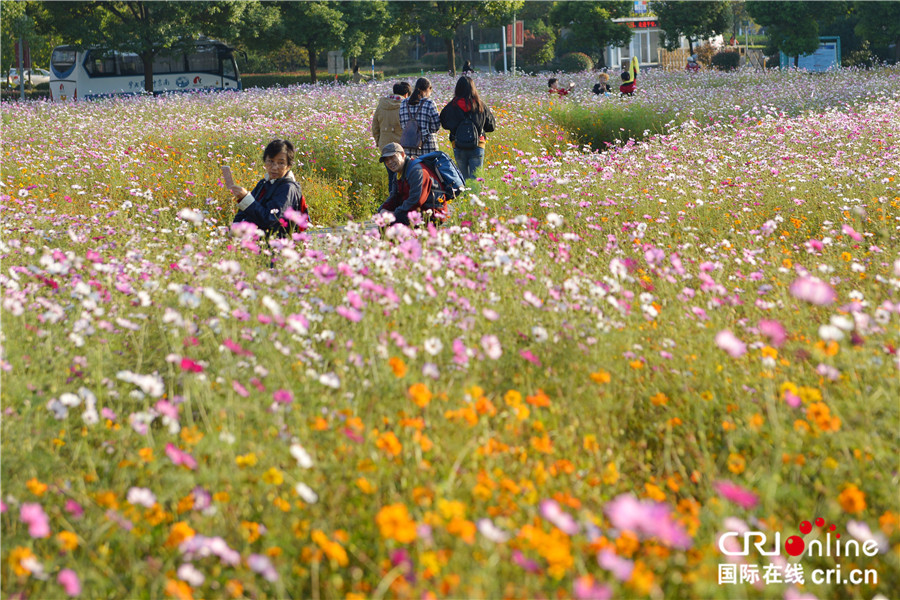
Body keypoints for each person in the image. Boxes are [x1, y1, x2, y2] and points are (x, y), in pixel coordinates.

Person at [231, 139, 308, 237]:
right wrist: (235, 228)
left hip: (274, 244)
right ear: (265, 161)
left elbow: (271, 220)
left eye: (281, 163)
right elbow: (244, 211)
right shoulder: (263, 183)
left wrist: (246, 198)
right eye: (271, 161)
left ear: (288, 166)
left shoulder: (287, 188)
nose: (274, 167)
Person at [376, 142, 447, 227]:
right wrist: (383, 209)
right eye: (386, 160)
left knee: (392, 222)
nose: (390, 162)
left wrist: (395, 214)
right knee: (385, 220)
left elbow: (416, 200)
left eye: (392, 157)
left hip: (431, 214)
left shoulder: (417, 171)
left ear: (402, 155)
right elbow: (394, 196)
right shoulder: (397, 174)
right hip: (415, 211)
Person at [439, 76, 495, 181]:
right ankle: (475, 197)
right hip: (478, 145)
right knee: (476, 181)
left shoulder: (452, 106)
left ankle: (465, 197)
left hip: (458, 145)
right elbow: (491, 126)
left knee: (463, 179)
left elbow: (444, 123)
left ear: (458, 89)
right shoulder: (479, 105)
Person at [372, 81, 411, 195]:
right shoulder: (405, 105)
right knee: (404, 176)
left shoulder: (382, 104)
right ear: (406, 94)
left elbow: (375, 126)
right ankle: (403, 201)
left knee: (391, 177)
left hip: (385, 147)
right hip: (401, 148)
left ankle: (392, 201)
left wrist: (379, 142)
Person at [398, 77, 441, 159]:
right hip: (428, 148)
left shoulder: (403, 103)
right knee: (429, 171)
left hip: (408, 147)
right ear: (428, 88)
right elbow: (436, 126)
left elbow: (402, 124)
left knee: (412, 170)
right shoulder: (429, 103)